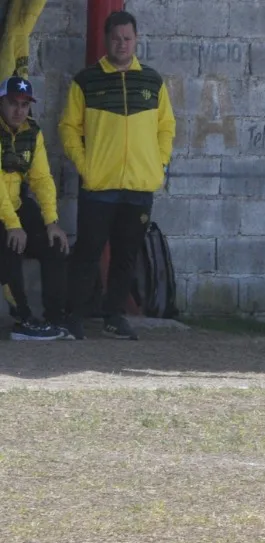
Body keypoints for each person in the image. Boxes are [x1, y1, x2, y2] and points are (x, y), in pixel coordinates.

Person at [59, 9, 175, 341]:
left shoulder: (152, 82)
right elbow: (68, 128)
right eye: (115, 38)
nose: (121, 44)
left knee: (126, 256)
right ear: (107, 40)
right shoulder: (86, 81)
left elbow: (166, 127)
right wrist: (86, 166)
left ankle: (113, 317)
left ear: (136, 40)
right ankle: (74, 316)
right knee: (87, 253)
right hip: (99, 186)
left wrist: (160, 164)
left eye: (127, 38)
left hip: (139, 186)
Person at [0, 75, 69, 340]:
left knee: (55, 245)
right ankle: (24, 319)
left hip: (15, 205)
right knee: (11, 246)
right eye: (13, 104)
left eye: (25, 105)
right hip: (3, 213)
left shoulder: (32, 132)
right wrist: (13, 225)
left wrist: (52, 221)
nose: (19, 111)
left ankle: (55, 318)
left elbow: (41, 178)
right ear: (1, 103)